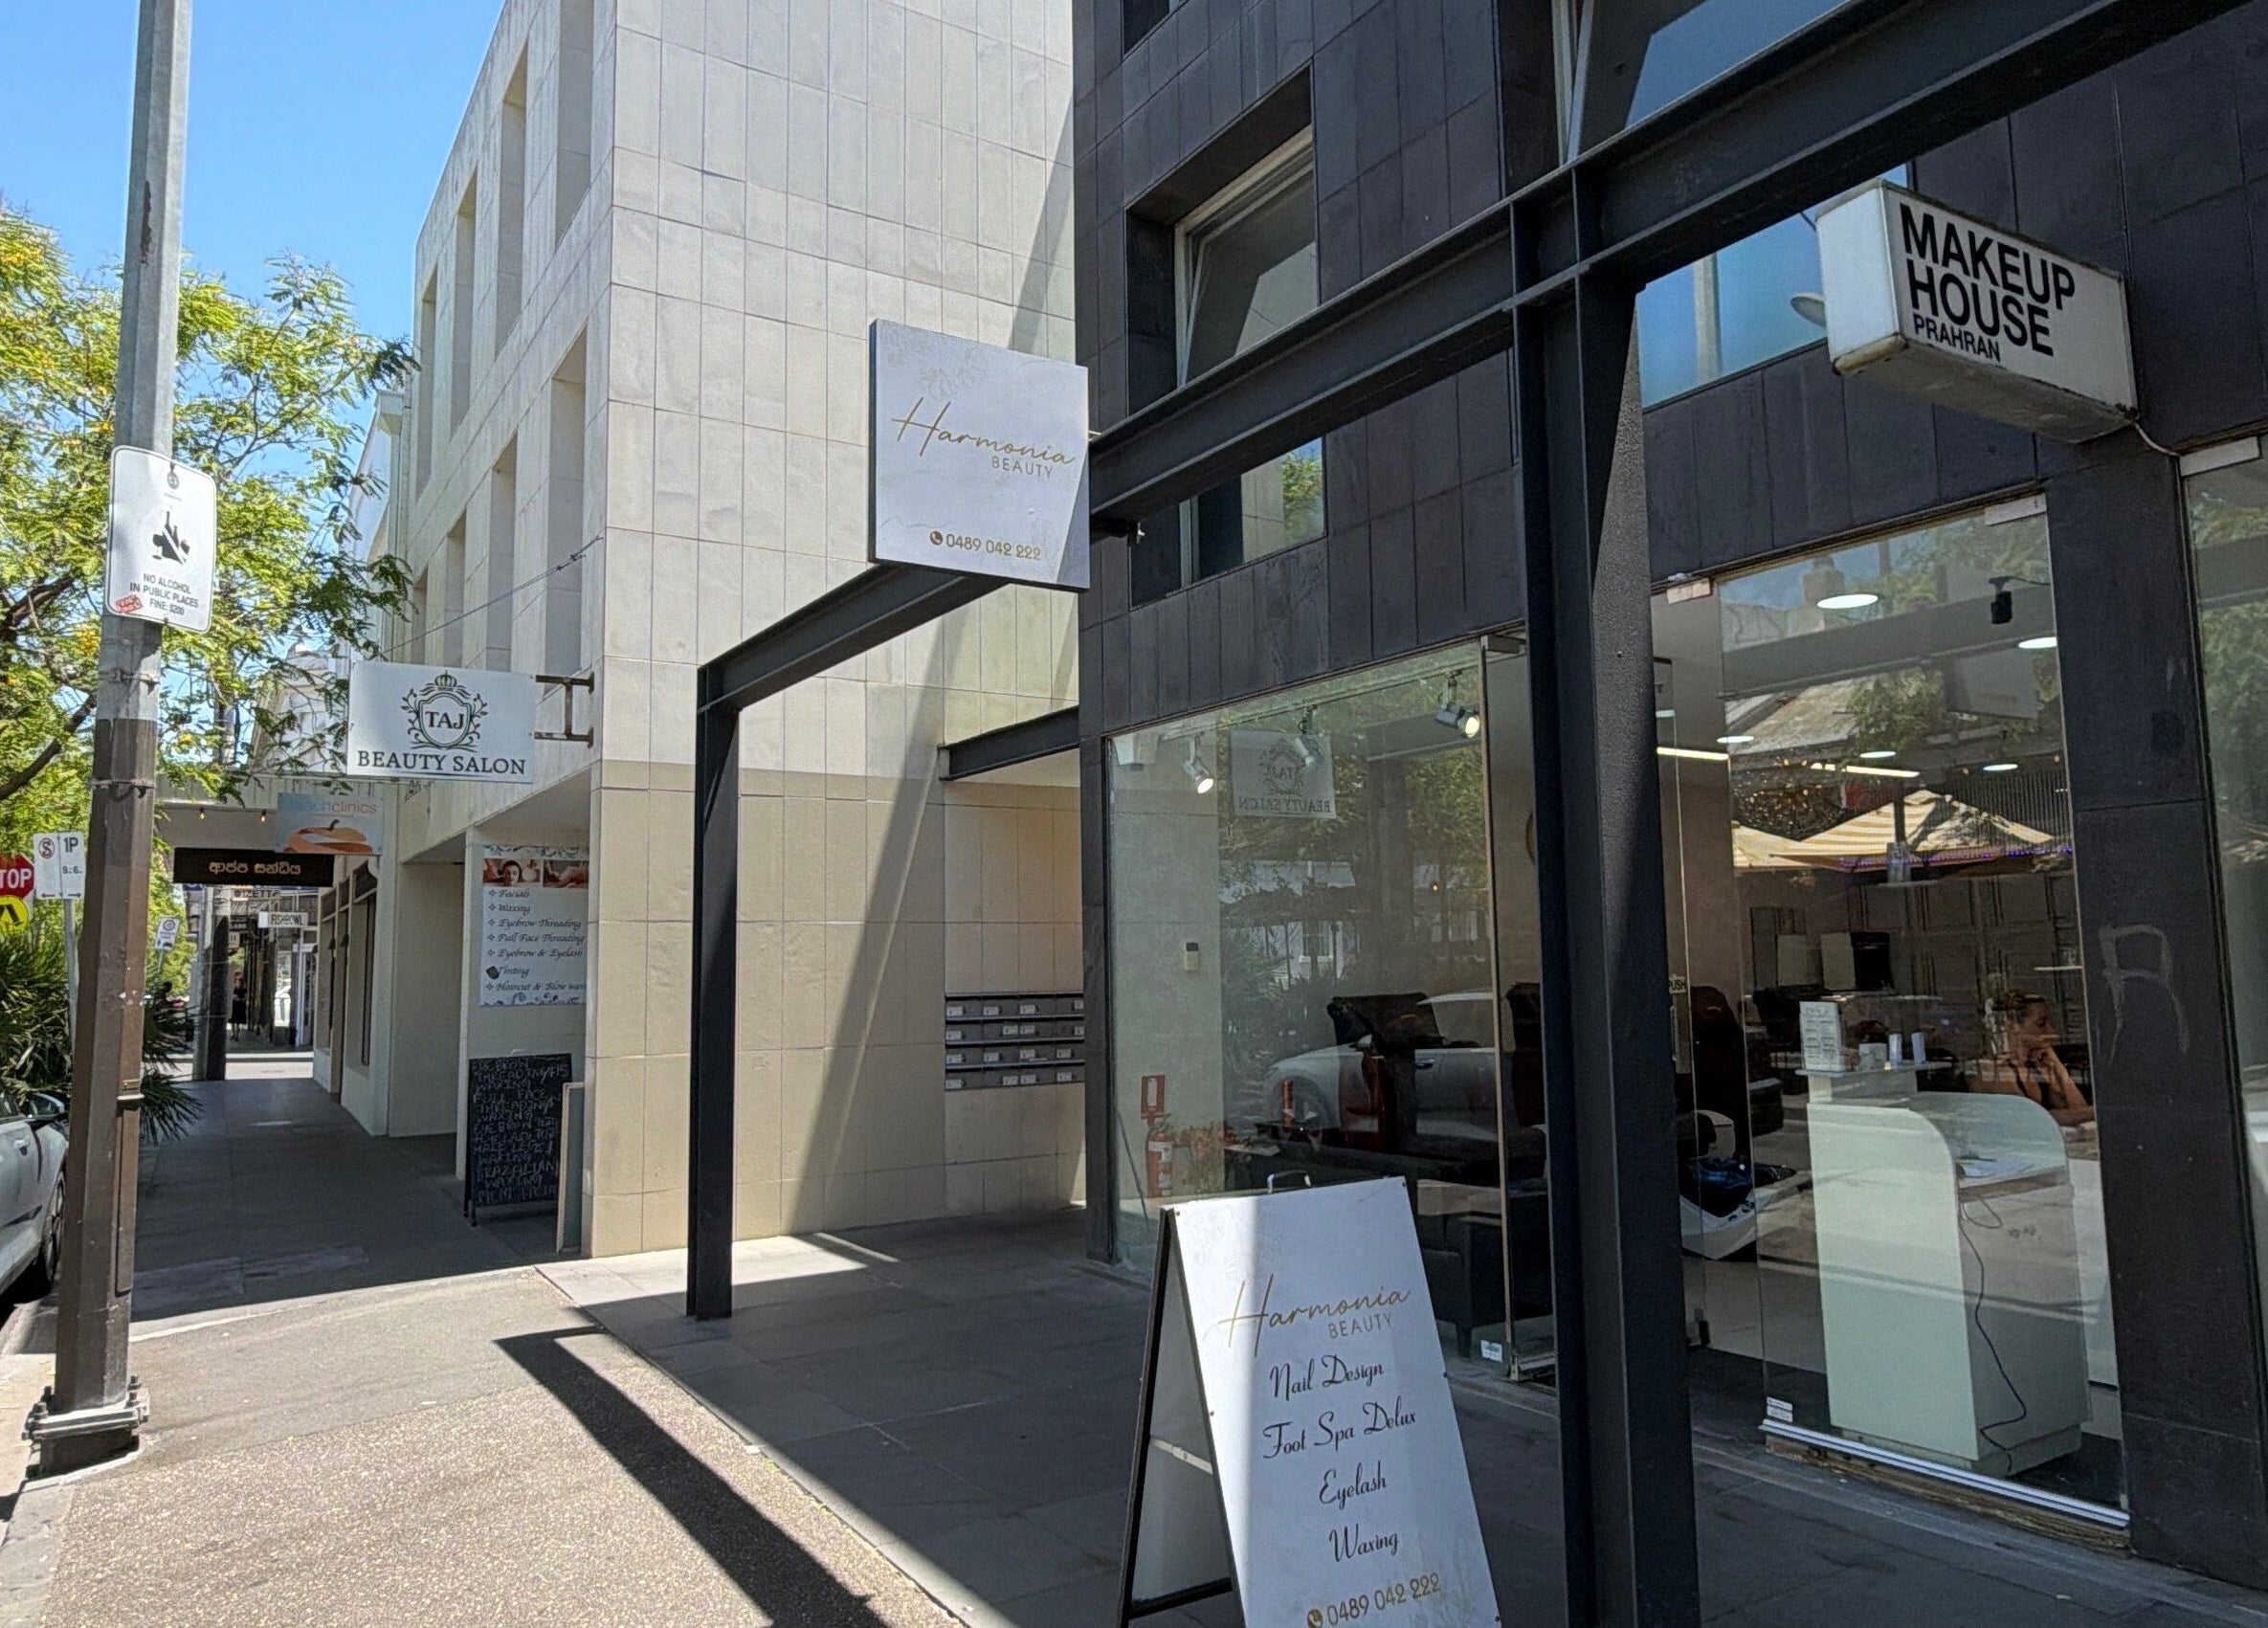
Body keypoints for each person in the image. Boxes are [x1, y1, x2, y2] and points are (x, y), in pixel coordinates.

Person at [1975, 993, 2092, 1126]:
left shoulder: (2039, 1064)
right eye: (2041, 1024)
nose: (2051, 1030)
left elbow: (2078, 1107)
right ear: (2013, 1025)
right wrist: (2096, 1111)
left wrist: (2057, 1066)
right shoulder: (1993, 1069)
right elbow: (2032, 1119)